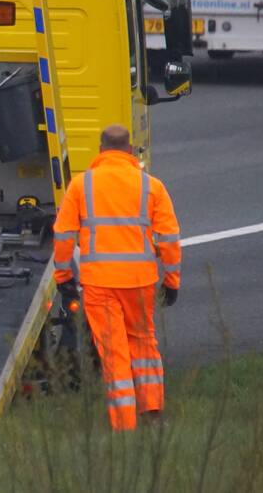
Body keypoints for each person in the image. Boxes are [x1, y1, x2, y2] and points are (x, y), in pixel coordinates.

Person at [52, 124, 182, 431]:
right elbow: (169, 238)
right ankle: (152, 411)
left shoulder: (81, 185)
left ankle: (124, 424)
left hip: (100, 283)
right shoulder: (152, 186)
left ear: (100, 151)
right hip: (141, 280)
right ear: (129, 150)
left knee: (114, 352)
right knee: (143, 342)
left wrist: (64, 277)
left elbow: (63, 235)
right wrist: (172, 281)